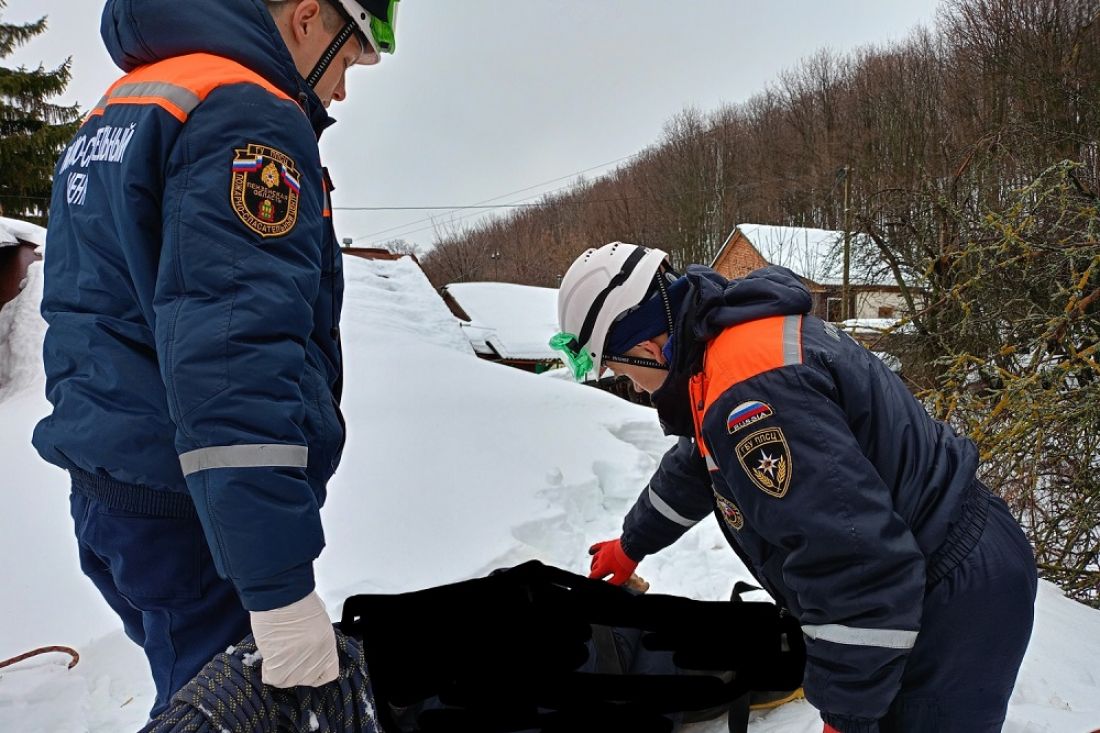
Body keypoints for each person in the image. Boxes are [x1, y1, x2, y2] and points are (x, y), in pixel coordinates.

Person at [33, 0, 399, 717]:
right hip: (192, 516)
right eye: (348, 59)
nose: (343, 91)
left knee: (201, 694)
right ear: (306, 17)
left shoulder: (124, 106)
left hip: (119, 490)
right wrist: (279, 588)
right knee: (233, 712)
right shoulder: (247, 115)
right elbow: (233, 361)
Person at [551, 241, 1039, 733]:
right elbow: (697, 464)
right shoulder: (721, 347)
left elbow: (851, 558)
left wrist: (845, 713)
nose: (632, 385)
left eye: (619, 369)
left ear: (646, 348)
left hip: (952, 590)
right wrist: (631, 543)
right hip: (932, 564)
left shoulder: (750, 392)